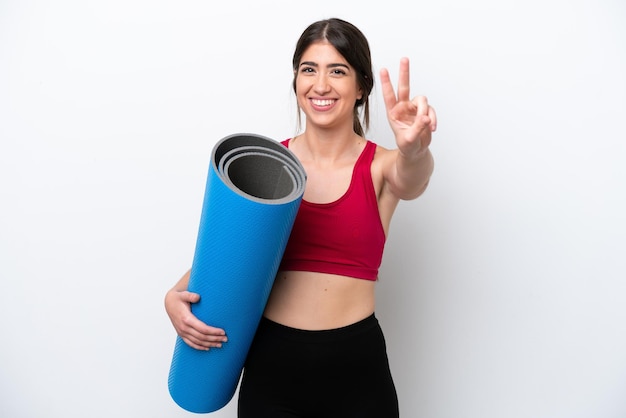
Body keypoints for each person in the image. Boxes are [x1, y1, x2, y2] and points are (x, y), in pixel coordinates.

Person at [165, 17, 436, 418]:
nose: (321, 85)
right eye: (309, 70)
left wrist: (414, 150)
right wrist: (174, 297)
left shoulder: (381, 166)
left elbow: (412, 180)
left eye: (337, 71)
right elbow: (230, 252)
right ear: (295, 81)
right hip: (273, 368)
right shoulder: (268, 165)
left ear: (361, 88)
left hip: (357, 371)